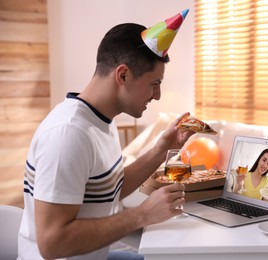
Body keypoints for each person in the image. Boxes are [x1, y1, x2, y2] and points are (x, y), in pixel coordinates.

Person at [18, 10, 192, 260]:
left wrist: (160, 150)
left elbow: (109, 190)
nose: (157, 96)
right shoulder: (69, 134)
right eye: (154, 83)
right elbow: (52, 243)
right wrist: (141, 215)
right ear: (122, 75)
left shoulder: (101, 120)